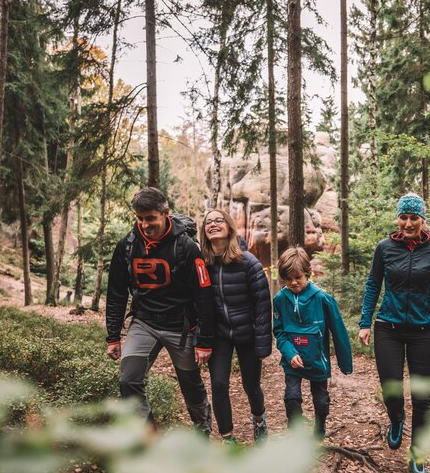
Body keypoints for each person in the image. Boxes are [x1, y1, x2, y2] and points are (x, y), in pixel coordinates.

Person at [358, 193, 430, 473]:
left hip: (422, 332)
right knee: (391, 389)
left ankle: (418, 456)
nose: (407, 223)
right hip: (387, 328)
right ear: (398, 218)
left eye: (413, 218)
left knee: (422, 397)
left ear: (422, 220)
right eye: (403, 217)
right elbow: (372, 285)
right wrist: (364, 322)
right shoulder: (385, 248)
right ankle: (396, 417)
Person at [105, 187, 214, 434]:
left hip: (182, 327)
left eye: (150, 218)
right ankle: (149, 437)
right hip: (144, 324)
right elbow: (116, 293)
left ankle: (202, 431)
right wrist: (113, 336)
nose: (145, 224)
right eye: (140, 218)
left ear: (166, 213)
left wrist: (205, 341)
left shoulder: (187, 247)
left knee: (190, 384)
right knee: (128, 380)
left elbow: (204, 294)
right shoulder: (127, 246)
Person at [200, 208, 272, 444]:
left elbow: (263, 304)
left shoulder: (247, 261)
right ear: (204, 231)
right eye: (208, 222)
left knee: (251, 385)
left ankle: (259, 420)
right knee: (219, 385)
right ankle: (227, 437)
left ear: (229, 226)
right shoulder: (203, 263)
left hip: (247, 333)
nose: (213, 224)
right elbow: (197, 303)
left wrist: (263, 343)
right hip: (220, 334)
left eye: (218, 220)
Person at [272, 247, 353, 439]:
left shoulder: (323, 299)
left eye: (298, 277)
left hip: (318, 360)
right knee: (292, 397)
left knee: (321, 401)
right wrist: (290, 354)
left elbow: (339, 332)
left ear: (308, 272)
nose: (293, 282)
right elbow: (279, 332)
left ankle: (320, 427)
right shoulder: (280, 300)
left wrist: (345, 363)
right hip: (292, 362)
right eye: (288, 278)